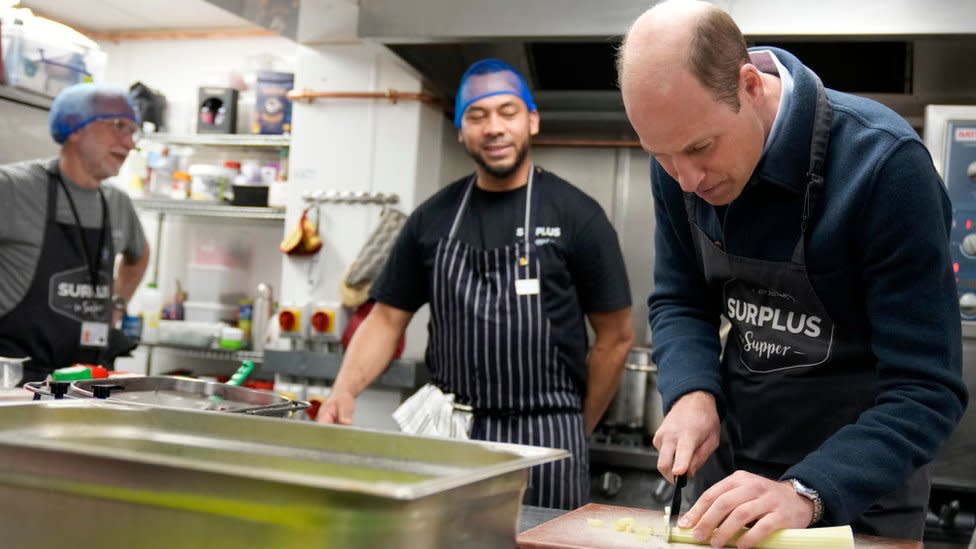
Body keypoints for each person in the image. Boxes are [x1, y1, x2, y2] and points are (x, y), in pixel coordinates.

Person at [617, 1, 968, 545]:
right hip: (728, 489)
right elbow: (680, 298)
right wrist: (691, 391)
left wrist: (805, 490)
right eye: (661, 156)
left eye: (699, 148)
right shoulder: (679, 157)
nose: (685, 179)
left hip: (860, 507)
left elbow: (926, 389)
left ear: (749, 85)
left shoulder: (883, 166)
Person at [317, 58, 634, 510]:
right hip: (450, 435)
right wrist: (343, 391)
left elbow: (616, 337)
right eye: (477, 116)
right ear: (461, 131)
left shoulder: (577, 216)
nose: (494, 128)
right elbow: (386, 320)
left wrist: (575, 428)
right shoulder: (432, 219)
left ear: (533, 121)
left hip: (547, 437)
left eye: (508, 112)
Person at [0, 83, 150, 383]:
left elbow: (139, 255)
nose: (130, 143)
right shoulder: (14, 188)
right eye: (119, 126)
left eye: (134, 132)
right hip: (14, 384)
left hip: (85, 384)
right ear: (74, 128)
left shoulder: (117, 203)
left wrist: (117, 304)